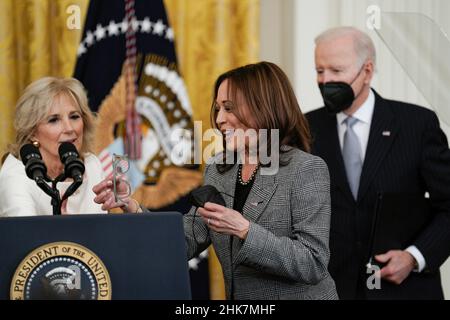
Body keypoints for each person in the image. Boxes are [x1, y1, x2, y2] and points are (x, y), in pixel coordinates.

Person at [93, 61, 338, 300]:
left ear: (264, 106)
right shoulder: (218, 169)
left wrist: (244, 230)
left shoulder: (306, 168)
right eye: (218, 108)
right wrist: (132, 206)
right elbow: (185, 241)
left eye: (229, 108)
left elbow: (313, 263)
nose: (219, 119)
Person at [306, 26, 450, 299]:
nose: (325, 81)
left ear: (367, 71)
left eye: (336, 71)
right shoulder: (303, 128)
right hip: (331, 291)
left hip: (403, 290)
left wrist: (414, 256)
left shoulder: (417, 125)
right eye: (319, 71)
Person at [0, 77, 107, 216]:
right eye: (54, 120)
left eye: (74, 117)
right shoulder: (16, 176)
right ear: (32, 132)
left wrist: (131, 207)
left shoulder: (92, 165)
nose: (69, 128)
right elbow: (26, 236)